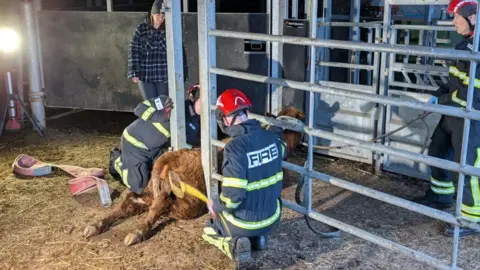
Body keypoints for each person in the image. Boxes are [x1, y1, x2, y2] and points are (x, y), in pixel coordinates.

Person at [415, 0, 480, 237]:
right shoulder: (465, 46)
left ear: (472, 17)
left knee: (468, 167)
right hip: (454, 112)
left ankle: (472, 220)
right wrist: (436, 97)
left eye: (456, 17)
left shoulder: (477, 50)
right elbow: (454, 82)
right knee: (439, 152)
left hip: (472, 118)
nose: (453, 23)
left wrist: (442, 102)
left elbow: (471, 94)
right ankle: (441, 196)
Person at [202, 89, 287, 268]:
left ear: (224, 119)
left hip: (243, 223)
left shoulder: (234, 148)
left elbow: (234, 196)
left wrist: (216, 206)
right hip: (272, 217)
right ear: (246, 111)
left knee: (210, 228)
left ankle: (233, 246)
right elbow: (282, 149)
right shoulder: (273, 138)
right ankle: (259, 239)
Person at [109, 84, 202, 194]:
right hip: (135, 143)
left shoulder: (196, 124)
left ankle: (144, 166)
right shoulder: (169, 102)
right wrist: (162, 115)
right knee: (139, 188)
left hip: (156, 150)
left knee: (159, 181)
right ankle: (117, 161)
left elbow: (186, 145)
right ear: (196, 96)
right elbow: (139, 109)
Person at [127, 0, 169, 100]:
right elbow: (134, 50)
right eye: (158, 15)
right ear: (152, 14)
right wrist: (134, 72)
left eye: (163, 15)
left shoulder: (168, 29)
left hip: (163, 75)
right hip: (145, 75)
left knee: (163, 106)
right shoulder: (141, 29)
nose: (161, 18)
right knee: (150, 105)